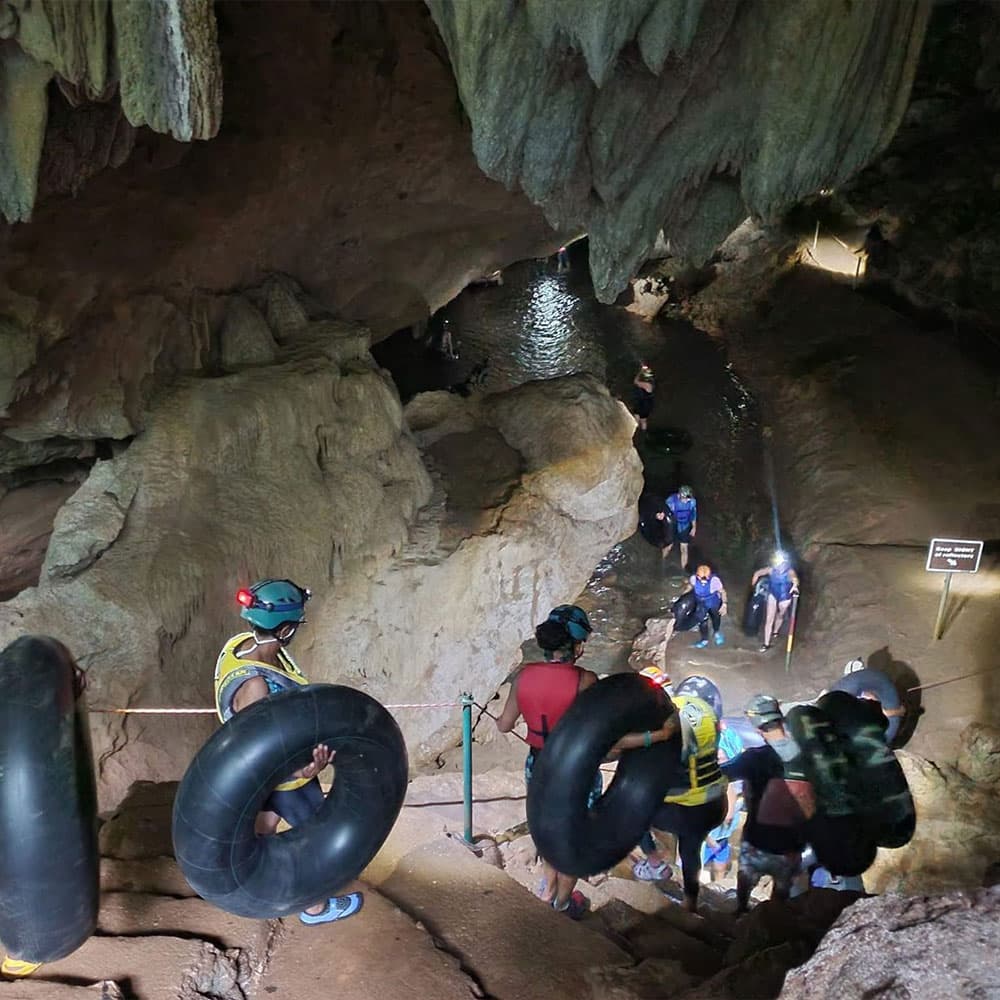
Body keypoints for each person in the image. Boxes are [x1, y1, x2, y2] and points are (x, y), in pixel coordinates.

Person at [213, 579, 364, 925]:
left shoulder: (242, 645)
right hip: (282, 780)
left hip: (264, 777)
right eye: (294, 625)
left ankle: (250, 884)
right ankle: (313, 907)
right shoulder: (256, 685)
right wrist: (304, 772)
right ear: (284, 629)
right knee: (317, 838)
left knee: (263, 827)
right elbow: (257, 749)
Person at [495, 604, 599, 919]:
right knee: (573, 836)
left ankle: (547, 889)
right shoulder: (586, 680)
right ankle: (564, 904)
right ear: (577, 646)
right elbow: (596, 731)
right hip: (574, 769)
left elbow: (504, 724)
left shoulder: (524, 677)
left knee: (548, 828)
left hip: (538, 765)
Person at [631, 691, 728, 913]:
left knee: (632, 811)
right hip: (714, 805)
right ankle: (691, 901)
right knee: (691, 849)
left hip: (679, 810)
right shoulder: (706, 713)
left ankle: (654, 863)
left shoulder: (666, 721)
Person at [721, 695, 812, 915]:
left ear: (757, 728)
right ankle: (773, 923)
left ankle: (741, 911)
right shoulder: (807, 757)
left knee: (745, 879)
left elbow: (720, 775)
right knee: (781, 897)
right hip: (791, 846)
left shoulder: (753, 758)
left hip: (756, 842)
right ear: (780, 719)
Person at [750, 551, 799, 653]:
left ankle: (776, 631)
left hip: (785, 597)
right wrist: (754, 582)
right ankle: (766, 644)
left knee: (780, 615)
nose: (778, 565)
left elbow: (794, 578)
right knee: (769, 619)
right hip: (772, 594)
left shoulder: (789, 571)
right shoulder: (771, 570)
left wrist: (795, 584)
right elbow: (758, 572)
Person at [683, 564, 727, 649]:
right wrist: (683, 596)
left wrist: (724, 604)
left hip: (713, 601)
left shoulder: (714, 581)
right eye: (701, 577)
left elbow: (723, 592)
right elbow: (690, 587)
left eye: (705, 577)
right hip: (700, 602)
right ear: (697, 575)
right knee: (702, 621)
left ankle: (716, 632)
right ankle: (704, 639)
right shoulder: (693, 579)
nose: (703, 580)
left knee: (716, 617)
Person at [657, 485, 697, 569]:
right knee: (668, 546)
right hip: (672, 526)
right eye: (684, 498)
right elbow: (664, 512)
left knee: (684, 549)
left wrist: (694, 527)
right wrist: (660, 515)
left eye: (688, 498)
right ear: (679, 495)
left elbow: (693, 515)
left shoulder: (692, 502)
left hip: (684, 526)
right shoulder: (671, 501)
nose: (686, 500)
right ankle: (661, 564)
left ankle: (684, 570)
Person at [631, 364, 655, 432]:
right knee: (643, 421)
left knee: (636, 419)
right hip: (647, 404)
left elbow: (635, 381)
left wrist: (640, 372)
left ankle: (636, 434)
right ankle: (643, 434)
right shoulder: (650, 385)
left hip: (641, 404)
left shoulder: (646, 385)